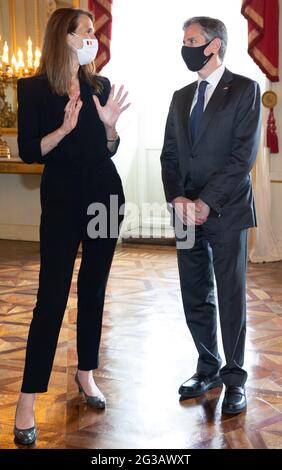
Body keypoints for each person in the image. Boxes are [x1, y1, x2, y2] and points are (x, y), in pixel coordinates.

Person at [14, 7, 130, 445]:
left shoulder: (98, 85)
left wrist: (111, 129)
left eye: (94, 32)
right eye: (86, 31)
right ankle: (28, 398)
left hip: (105, 198)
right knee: (52, 295)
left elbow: (110, 150)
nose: (92, 38)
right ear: (64, 37)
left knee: (95, 287)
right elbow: (30, 151)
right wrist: (62, 129)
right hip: (63, 203)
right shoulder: (34, 89)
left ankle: (86, 373)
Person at [161, 17, 261, 415]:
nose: (185, 46)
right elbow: (170, 154)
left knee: (231, 294)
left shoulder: (246, 89)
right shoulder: (181, 96)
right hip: (185, 212)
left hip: (227, 209)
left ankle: (235, 378)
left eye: (192, 40)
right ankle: (208, 367)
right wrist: (178, 199)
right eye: (183, 40)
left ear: (214, 45)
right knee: (194, 292)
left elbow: (243, 157)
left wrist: (207, 201)